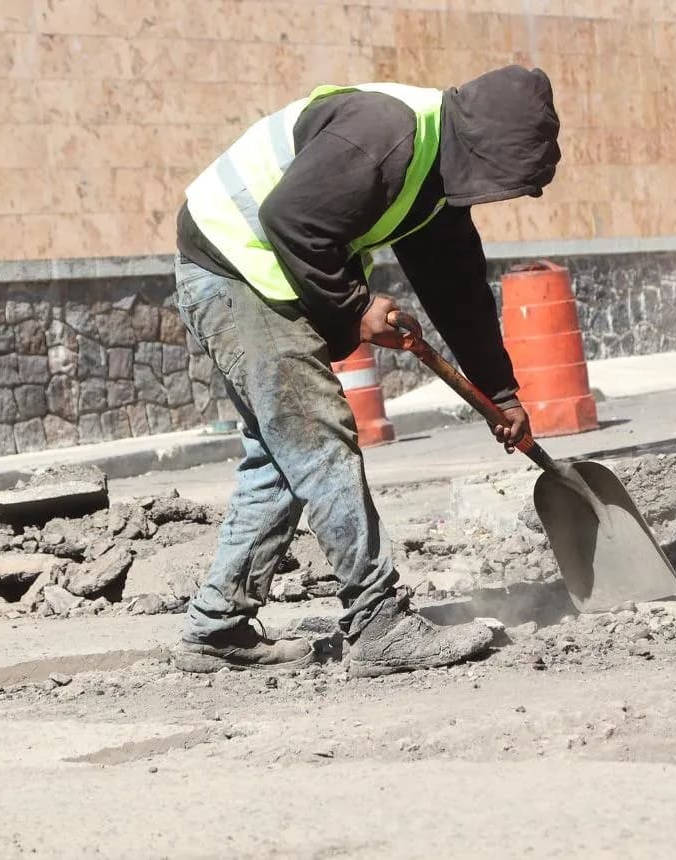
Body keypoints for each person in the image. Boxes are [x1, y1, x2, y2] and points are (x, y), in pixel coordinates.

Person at [171, 66, 561, 676]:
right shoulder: (388, 132)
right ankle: (378, 623)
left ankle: (216, 627)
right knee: (319, 440)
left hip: (256, 272)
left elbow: (458, 289)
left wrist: (501, 392)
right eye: (500, 181)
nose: (493, 196)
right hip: (233, 268)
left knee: (283, 458)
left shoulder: (435, 175)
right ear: (481, 149)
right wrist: (356, 307)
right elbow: (290, 220)